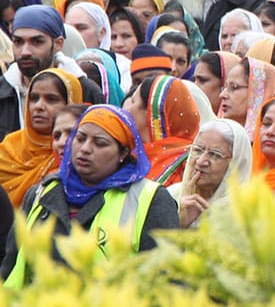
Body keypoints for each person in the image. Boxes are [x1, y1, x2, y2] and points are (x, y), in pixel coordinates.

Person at [1, 105, 178, 286]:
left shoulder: (150, 199)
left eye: (100, 143)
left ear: (123, 153)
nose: (85, 149)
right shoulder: (42, 191)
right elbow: (11, 266)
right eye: (80, 138)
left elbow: (166, 278)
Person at [0, 69, 84, 208]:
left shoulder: (78, 156)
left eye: (51, 99)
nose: (38, 106)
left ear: (71, 103)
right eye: (34, 98)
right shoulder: (9, 146)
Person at [0, 6, 85, 138]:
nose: (25, 51)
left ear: (58, 44)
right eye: (18, 42)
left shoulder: (84, 89)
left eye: (37, 42)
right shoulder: (3, 90)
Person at [170, 119, 252, 227]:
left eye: (215, 155)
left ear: (235, 163)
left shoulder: (246, 212)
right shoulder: (171, 196)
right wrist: (179, 222)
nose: (200, 161)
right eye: (198, 150)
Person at [126, 75, 202, 186]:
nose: (127, 109)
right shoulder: (129, 154)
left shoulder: (189, 165)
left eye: (133, 102)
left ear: (150, 113)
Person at [218, 58, 275, 130]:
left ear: (257, 93)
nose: (222, 95)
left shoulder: (273, 138)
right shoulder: (217, 136)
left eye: (234, 87)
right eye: (224, 88)